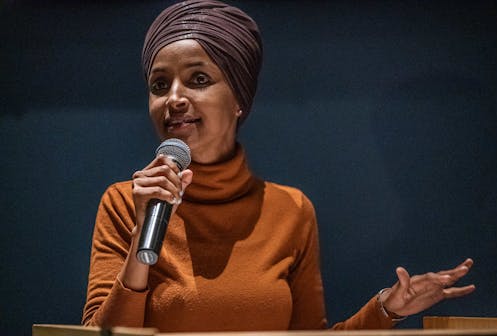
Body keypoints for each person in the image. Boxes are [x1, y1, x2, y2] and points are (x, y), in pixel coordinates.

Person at [82, 0, 475, 332]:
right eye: (159, 85)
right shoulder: (124, 204)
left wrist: (387, 309)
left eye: (198, 79)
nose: (174, 98)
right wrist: (141, 240)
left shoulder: (291, 210)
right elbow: (98, 332)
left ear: (239, 99)